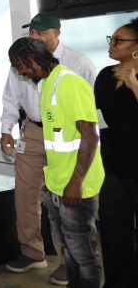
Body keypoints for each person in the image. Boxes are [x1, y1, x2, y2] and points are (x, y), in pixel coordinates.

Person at [1, 12, 96, 284]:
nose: (35, 37)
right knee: (25, 194)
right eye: (32, 32)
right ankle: (32, 253)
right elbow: (11, 97)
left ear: (57, 33)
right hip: (32, 131)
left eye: (40, 33)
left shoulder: (79, 63)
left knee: (65, 201)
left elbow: (89, 111)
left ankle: (70, 262)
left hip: (67, 135)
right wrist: (6, 128)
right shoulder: (21, 60)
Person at [95, 18, 138, 288]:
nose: (112, 44)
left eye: (119, 40)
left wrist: (134, 85)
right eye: (111, 38)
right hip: (112, 168)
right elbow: (99, 119)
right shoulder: (104, 76)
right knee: (113, 234)